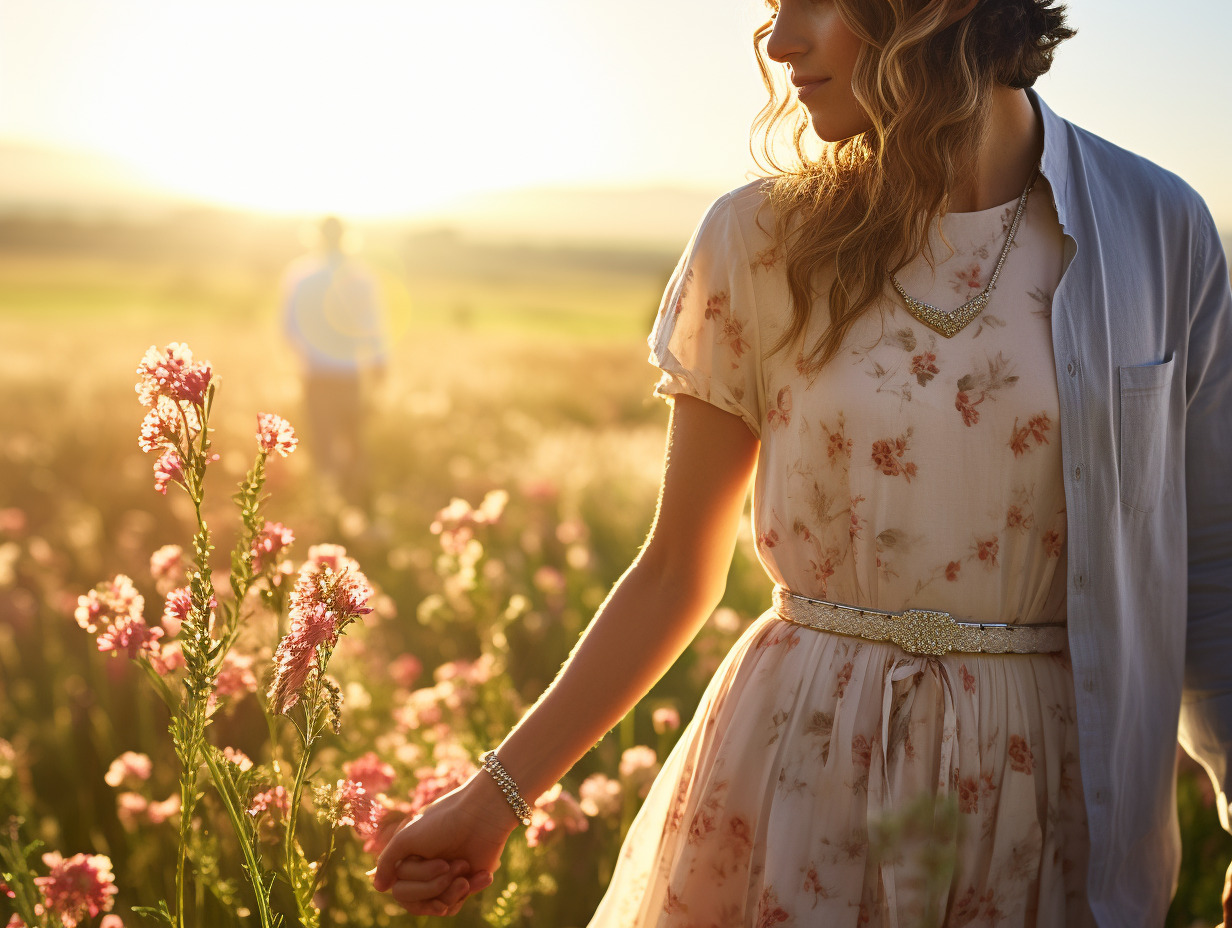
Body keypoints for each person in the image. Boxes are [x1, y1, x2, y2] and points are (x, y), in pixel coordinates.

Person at [369, 0, 1232, 924]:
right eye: (774, 8)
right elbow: (673, 570)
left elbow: (1210, 567)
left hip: (1052, 810)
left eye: (815, 1)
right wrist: (495, 796)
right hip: (795, 781)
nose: (779, 43)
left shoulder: (1159, 228)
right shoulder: (758, 238)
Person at [280, 215, 389, 500]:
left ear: (316, 237)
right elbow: (373, 325)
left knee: (322, 446)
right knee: (354, 443)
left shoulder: (300, 275)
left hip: (315, 374)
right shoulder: (361, 276)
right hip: (349, 374)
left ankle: (329, 509)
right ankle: (359, 501)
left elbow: (288, 329)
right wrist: (379, 362)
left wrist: (308, 354)